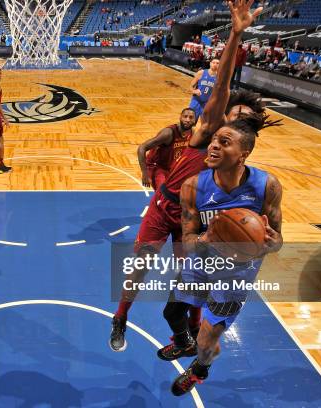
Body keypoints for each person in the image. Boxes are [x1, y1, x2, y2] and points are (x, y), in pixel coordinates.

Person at [109, 0, 266, 354]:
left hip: (192, 220)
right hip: (164, 206)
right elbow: (222, 86)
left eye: (241, 120)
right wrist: (235, 35)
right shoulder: (207, 130)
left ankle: (189, 336)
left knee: (194, 280)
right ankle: (121, 317)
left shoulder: (239, 161)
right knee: (140, 265)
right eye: (231, 112)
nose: (231, 118)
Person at [170, 114, 283, 396]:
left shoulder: (266, 186)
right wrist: (207, 239)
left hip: (235, 275)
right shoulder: (193, 187)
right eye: (214, 140)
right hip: (201, 261)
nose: (213, 146)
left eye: (224, 142)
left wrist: (271, 242)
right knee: (171, 311)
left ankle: (200, 369)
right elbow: (188, 239)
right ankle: (185, 342)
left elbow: (278, 240)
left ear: (243, 154)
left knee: (208, 344)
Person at [138, 109, 196, 191]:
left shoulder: (192, 133)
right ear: (180, 117)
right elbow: (141, 148)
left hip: (171, 168)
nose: (187, 120)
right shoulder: (168, 133)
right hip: (156, 167)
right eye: (185, 116)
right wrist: (144, 174)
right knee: (163, 193)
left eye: (191, 117)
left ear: (195, 120)